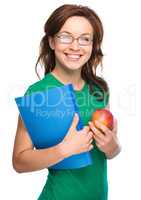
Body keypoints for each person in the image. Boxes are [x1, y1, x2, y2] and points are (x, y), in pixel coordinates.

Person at [12, 4, 121, 200]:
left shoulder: (99, 90)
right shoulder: (38, 93)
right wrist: (64, 150)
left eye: (85, 39)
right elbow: (19, 162)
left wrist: (112, 146)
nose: (75, 46)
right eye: (65, 36)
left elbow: (109, 153)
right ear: (52, 41)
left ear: (92, 45)